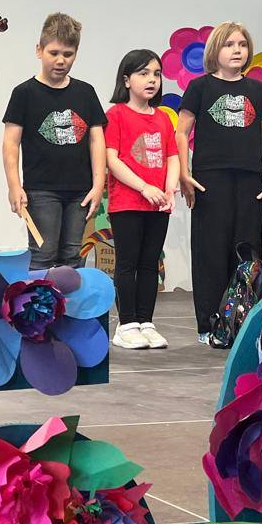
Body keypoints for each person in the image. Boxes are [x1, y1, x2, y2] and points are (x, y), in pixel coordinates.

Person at [176, 22, 262, 344]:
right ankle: (209, 324)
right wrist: (184, 172)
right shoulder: (200, 87)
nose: (237, 50)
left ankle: (242, 322)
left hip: (249, 179)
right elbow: (181, 132)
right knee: (210, 251)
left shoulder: (259, 91)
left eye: (242, 44)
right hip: (210, 179)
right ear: (215, 50)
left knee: (247, 253)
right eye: (229, 44)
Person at [1, 13, 107, 271]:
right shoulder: (24, 93)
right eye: (54, 53)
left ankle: (69, 300)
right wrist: (14, 186)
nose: (61, 60)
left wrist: (98, 185)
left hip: (80, 190)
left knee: (72, 255)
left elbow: (96, 140)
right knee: (43, 253)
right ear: (39, 50)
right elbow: (10, 144)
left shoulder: (86, 92)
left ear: (76, 54)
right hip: (40, 190)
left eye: (68, 54)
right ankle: (40, 299)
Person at [104, 49, 177, 351]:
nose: (152, 80)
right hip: (127, 203)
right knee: (128, 262)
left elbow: (172, 157)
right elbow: (112, 160)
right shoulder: (116, 115)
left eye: (156, 74)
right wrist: (144, 187)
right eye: (144, 73)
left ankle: (146, 322)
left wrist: (169, 190)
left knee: (150, 263)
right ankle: (126, 324)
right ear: (126, 80)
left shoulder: (163, 118)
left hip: (157, 205)